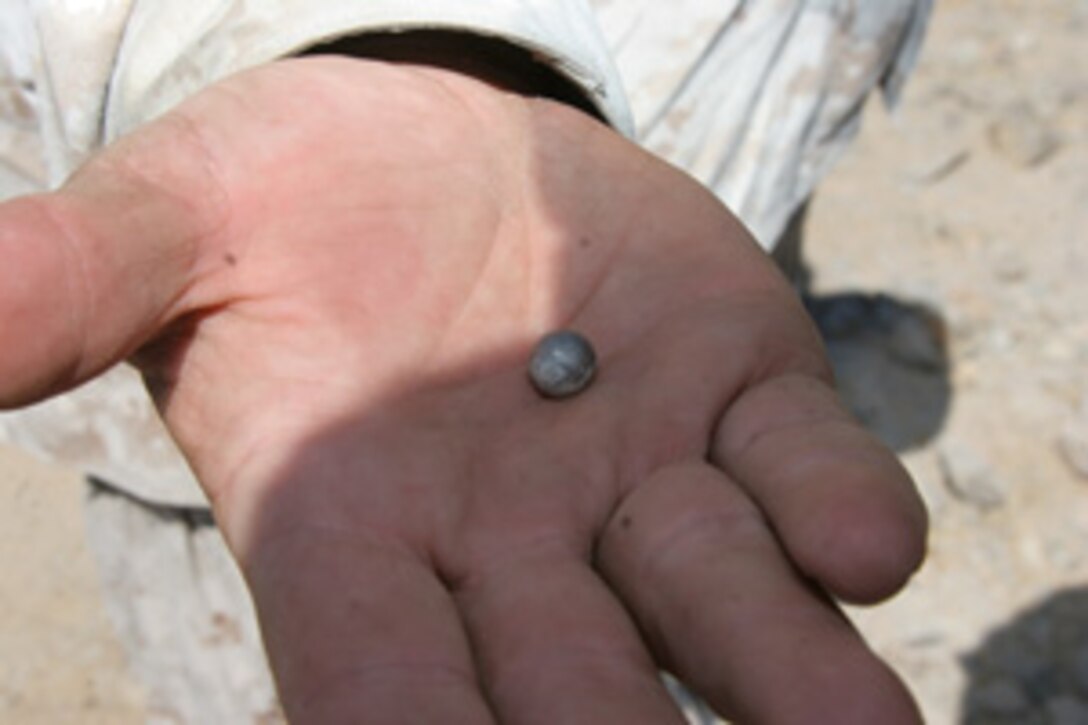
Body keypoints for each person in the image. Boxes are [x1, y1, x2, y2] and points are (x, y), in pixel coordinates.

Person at [0, 2, 933, 723]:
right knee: (302, 626)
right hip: (271, 320)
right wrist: (319, 35)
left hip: (728, 138)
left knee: (641, 603)